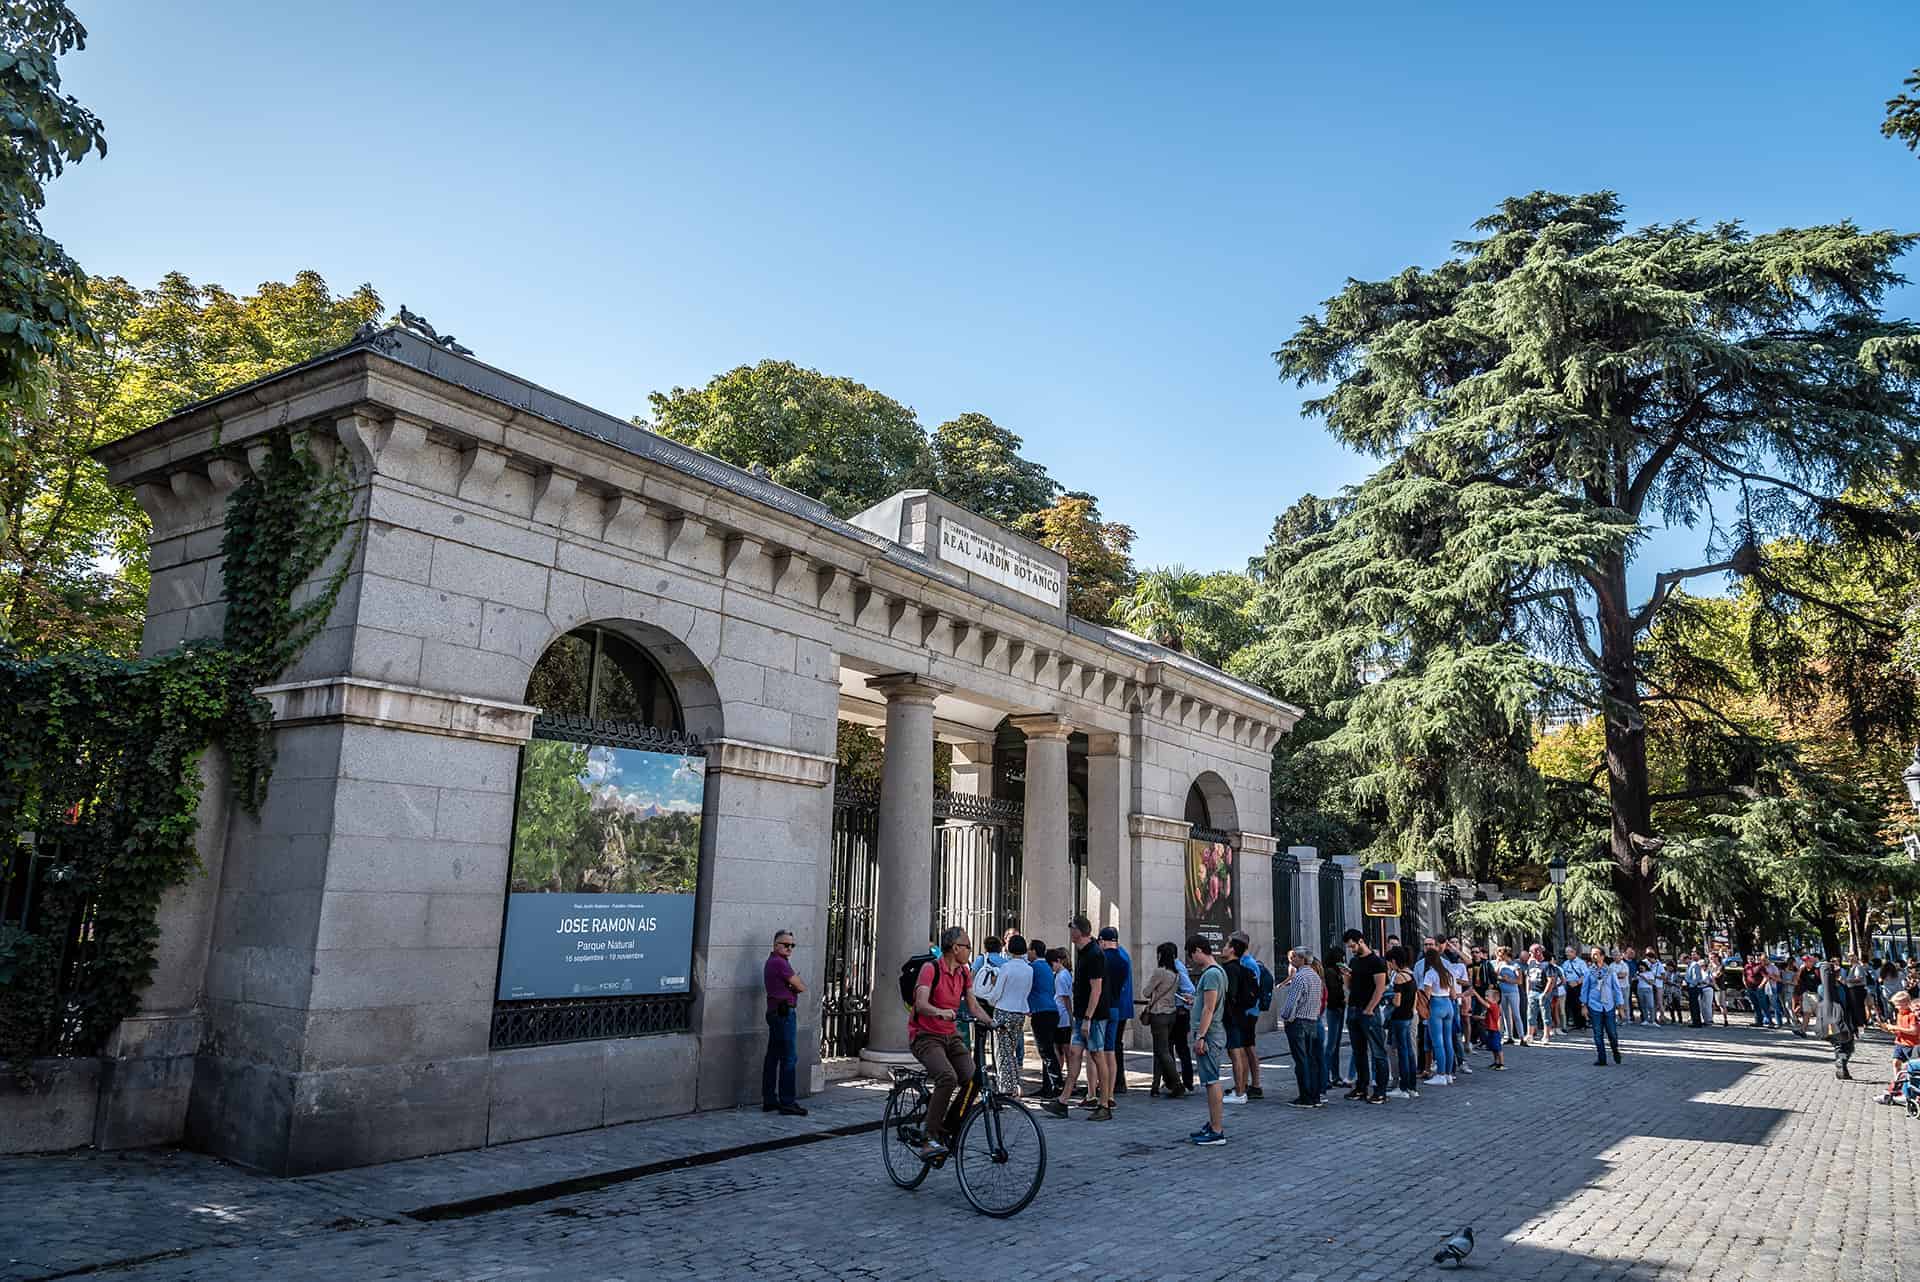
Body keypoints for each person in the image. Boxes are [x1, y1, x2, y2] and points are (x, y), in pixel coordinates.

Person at [908, 926, 995, 1159]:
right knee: (947, 1077)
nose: (970, 950)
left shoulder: (964, 972)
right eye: (967, 945)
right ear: (955, 948)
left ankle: (948, 1126)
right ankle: (929, 1137)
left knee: (973, 1079)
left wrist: (993, 1023)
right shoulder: (930, 969)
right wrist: (940, 1012)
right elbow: (921, 1003)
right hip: (925, 1035)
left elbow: (974, 1006)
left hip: (951, 1035)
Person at [1043, 915, 1113, 1121]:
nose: (1069, 931)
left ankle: (1104, 1104)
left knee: (1098, 1056)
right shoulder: (1083, 952)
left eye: (1071, 927)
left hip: (1094, 1016)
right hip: (1082, 1015)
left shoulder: (1094, 954)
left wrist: (1089, 1018)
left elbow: (1096, 989)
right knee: (1074, 1054)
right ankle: (1063, 1101)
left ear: (1078, 931)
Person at [1185, 935, 1230, 1145]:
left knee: (1211, 1081)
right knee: (1210, 1081)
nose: (1192, 959)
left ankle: (1217, 1129)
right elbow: (1206, 1003)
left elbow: (1209, 1007)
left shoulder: (1212, 974)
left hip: (1210, 1034)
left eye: (1192, 954)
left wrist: (1201, 1036)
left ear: (1198, 950)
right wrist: (1195, 1001)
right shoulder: (1218, 972)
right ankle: (1213, 1124)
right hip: (1213, 1032)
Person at [761, 928, 807, 1116]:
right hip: (783, 1013)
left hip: (775, 1012)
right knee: (789, 1057)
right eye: (785, 945)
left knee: (773, 1057)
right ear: (775, 944)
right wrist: (792, 985)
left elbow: (795, 985)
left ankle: (769, 1099)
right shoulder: (780, 963)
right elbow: (801, 986)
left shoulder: (772, 962)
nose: (789, 948)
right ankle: (787, 1102)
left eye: (792, 945)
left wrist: (791, 985)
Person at [1342, 929, 1390, 1104]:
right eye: (1349, 947)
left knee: (1377, 1051)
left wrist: (1370, 1008)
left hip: (1368, 1011)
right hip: (1354, 1008)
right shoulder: (1354, 961)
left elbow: (1380, 987)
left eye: (1353, 946)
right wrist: (1347, 977)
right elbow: (1350, 987)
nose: (1352, 950)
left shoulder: (1376, 962)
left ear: (1361, 941)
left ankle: (1380, 1090)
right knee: (1358, 1050)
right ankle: (1361, 1087)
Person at [1275, 946, 1326, 1107]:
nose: (1292, 959)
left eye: (1295, 957)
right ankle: (1315, 1095)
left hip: (1298, 1022)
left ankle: (1305, 1096)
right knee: (1311, 1059)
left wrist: (1285, 1017)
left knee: (1301, 1060)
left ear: (1303, 959)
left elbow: (1292, 1002)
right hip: (1312, 1020)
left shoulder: (1299, 977)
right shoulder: (1316, 977)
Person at [985, 934, 1032, 1096]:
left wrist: (989, 999)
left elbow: (997, 992)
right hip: (1019, 1012)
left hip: (1004, 1011)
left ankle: (1005, 1087)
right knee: (1011, 1050)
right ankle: (1013, 1083)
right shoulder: (1029, 969)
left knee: (1002, 1052)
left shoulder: (1006, 967)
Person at [1138, 941, 1185, 1098]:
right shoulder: (1176, 974)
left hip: (1159, 1015)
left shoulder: (1160, 972)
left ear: (1161, 955)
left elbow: (1146, 992)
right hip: (1171, 1014)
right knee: (1160, 1050)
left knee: (1162, 1052)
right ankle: (1155, 1085)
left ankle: (1177, 1084)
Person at [1229, 930, 1267, 1099]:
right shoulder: (1247, 962)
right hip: (1250, 1011)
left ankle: (1247, 1084)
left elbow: (1250, 990)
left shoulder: (1247, 963)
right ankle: (1249, 1084)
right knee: (1248, 1048)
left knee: (1245, 1049)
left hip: (1248, 1012)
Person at [1223, 935, 1261, 1104]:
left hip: (1235, 1016)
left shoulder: (1232, 969)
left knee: (1236, 1052)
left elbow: (1230, 994)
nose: (1223, 948)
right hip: (1241, 1014)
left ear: (1232, 949)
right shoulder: (1242, 967)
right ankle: (1241, 1088)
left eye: (1226, 945)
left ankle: (1240, 1091)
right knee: (1239, 1052)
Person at [1099, 927, 1134, 1097]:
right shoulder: (1123, 955)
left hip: (1115, 1005)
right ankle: (1117, 1081)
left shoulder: (1113, 957)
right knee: (1114, 1045)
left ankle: (1115, 1082)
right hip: (1121, 1005)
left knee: (1111, 1046)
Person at [1419, 946, 1461, 1087]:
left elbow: (1427, 995)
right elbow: (1454, 995)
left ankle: (1440, 1074)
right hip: (1448, 1005)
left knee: (1438, 1042)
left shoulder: (1430, 974)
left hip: (1436, 1005)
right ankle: (1448, 1074)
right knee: (1448, 1040)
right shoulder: (1447, 973)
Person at [1026, 938, 1062, 1097]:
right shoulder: (1048, 968)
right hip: (1052, 1011)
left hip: (1041, 1013)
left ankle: (1056, 1085)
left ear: (1034, 951)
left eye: (1029, 950)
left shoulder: (1032, 968)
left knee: (1046, 1051)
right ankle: (1048, 1086)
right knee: (1048, 1050)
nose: (1027, 953)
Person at [1385, 945, 1420, 1099]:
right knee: (1409, 1052)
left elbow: (1397, 1001)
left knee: (1402, 1052)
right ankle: (1412, 1086)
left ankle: (1403, 1087)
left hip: (1399, 1017)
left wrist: (1389, 997)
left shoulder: (1399, 977)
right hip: (1408, 1016)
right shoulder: (1411, 974)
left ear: (1394, 961)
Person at [1873, 990, 1918, 1105]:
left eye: (1898, 1005)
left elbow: (1914, 1031)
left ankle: (1906, 1086)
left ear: (1906, 1003)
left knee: (1909, 1067)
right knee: (1895, 1063)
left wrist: (1896, 1027)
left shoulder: (1911, 1015)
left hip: (1910, 1044)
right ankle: (1897, 1083)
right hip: (1900, 1043)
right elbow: (1897, 1030)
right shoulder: (1899, 1014)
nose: (1896, 1007)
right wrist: (1885, 1028)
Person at [1819, 956, 1857, 1080]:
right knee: (1845, 1045)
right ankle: (1842, 1062)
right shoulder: (1828, 988)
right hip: (1837, 1020)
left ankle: (1842, 1069)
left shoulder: (1838, 986)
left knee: (1841, 1045)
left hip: (1839, 1019)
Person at [1585, 947, 1624, 1065]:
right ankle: (1601, 1058)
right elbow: (1585, 989)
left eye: (1596, 954)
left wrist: (1620, 1007)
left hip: (1608, 1005)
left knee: (1612, 1032)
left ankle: (1615, 1050)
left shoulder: (1610, 971)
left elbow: (1616, 989)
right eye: (1592, 954)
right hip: (1594, 1005)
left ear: (1602, 956)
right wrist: (1584, 1005)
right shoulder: (1588, 971)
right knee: (1598, 1033)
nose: (1593, 956)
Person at [1323, 945, 1350, 1090]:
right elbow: (1334, 991)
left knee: (1336, 1043)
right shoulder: (1330, 972)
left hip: (1339, 1008)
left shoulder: (1337, 972)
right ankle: (1326, 1076)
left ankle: (1335, 1075)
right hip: (1334, 1008)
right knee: (1331, 1044)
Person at [1171, 948, 1197, 1092]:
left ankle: (1187, 1081)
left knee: (1181, 1048)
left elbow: (1189, 989)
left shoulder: (1177, 967)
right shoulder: (1177, 966)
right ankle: (1179, 1079)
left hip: (1180, 1012)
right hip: (1179, 1012)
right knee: (1180, 1048)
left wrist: (1183, 997)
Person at [1524, 944, 1559, 1044]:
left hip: (1543, 993)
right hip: (1533, 992)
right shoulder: (1531, 963)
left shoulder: (1547, 965)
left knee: (1546, 1015)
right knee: (1530, 1015)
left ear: (1538, 952)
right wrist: (1528, 991)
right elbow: (1528, 978)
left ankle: (1546, 1036)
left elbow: (1551, 980)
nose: (1530, 954)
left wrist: (1545, 993)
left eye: (1531, 952)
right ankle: (1530, 1035)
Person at [1494, 946, 1524, 1046]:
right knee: (1505, 1014)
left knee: (1516, 1014)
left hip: (1512, 992)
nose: (1499, 956)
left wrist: (1508, 980)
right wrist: (1498, 967)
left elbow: (1519, 981)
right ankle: (1509, 1036)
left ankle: (1521, 1037)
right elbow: (1495, 976)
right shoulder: (1500, 965)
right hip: (1502, 992)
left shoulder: (1515, 965)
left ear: (1506, 954)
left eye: (1501, 954)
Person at [1561, 946, 1589, 1031]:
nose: (1567, 954)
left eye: (1569, 952)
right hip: (1568, 986)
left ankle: (1582, 1024)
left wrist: (1577, 982)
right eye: (1566, 952)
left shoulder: (1581, 963)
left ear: (1574, 952)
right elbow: (1562, 974)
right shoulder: (1565, 963)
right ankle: (1576, 1023)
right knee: (1571, 1004)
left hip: (1578, 986)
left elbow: (1586, 975)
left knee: (1580, 1004)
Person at [1743, 951, 1773, 1028]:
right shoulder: (1746, 967)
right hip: (1750, 988)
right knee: (1755, 1005)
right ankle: (1759, 1021)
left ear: (1755, 958)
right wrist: (1745, 984)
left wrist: (1761, 986)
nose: (1750, 960)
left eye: (1751, 958)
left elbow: (1766, 977)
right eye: (1749, 959)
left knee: (1763, 1005)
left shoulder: (1759, 966)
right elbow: (1744, 976)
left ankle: (1770, 1022)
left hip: (1758, 989)